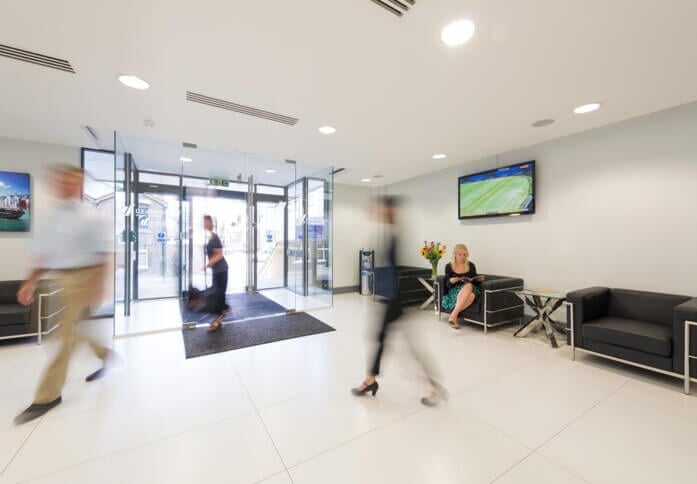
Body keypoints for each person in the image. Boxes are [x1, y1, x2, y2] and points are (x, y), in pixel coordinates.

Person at [14, 165, 117, 425]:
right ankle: (105, 355)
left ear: (79, 185)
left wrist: (103, 284)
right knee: (76, 329)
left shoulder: (90, 216)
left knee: (65, 335)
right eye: (62, 180)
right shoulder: (52, 217)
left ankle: (47, 395)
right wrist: (30, 282)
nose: (65, 185)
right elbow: (44, 254)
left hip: (85, 278)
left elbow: (104, 254)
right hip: (62, 277)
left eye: (72, 182)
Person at [351, 196, 447, 407]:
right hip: (392, 299)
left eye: (382, 209)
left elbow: (394, 268)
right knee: (385, 340)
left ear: (389, 210)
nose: (378, 212)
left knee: (403, 347)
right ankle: (371, 379)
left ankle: (432, 386)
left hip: (395, 301)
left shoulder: (396, 233)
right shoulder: (392, 232)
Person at [442, 243, 484, 329]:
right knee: (471, 296)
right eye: (460, 254)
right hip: (455, 290)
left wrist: (478, 280)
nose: (462, 257)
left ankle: (453, 315)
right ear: (455, 255)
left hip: (471, 288)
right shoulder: (449, 266)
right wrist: (451, 280)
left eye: (464, 254)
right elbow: (447, 284)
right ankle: (454, 316)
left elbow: (474, 281)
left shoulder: (471, 265)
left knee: (469, 285)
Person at [203, 214, 229, 331]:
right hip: (217, 270)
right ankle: (222, 311)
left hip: (221, 270)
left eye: (206, 222)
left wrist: (208, 264)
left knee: (218, 295)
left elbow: (219, 254)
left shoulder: (215, 237)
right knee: (217, 294)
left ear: (211, 223)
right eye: (204, 222)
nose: (204, 224)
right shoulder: (211, 236)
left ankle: (217, 320)